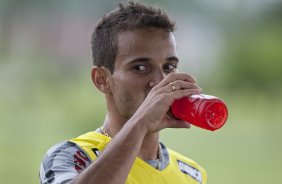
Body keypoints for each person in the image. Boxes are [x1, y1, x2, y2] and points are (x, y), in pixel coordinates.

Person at [39, 1, 207, 184]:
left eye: (169, 66)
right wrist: (141, 122)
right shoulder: (71, 156)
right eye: (141, 67)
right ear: (101, 79)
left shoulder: (193, 174)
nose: (161, 81)